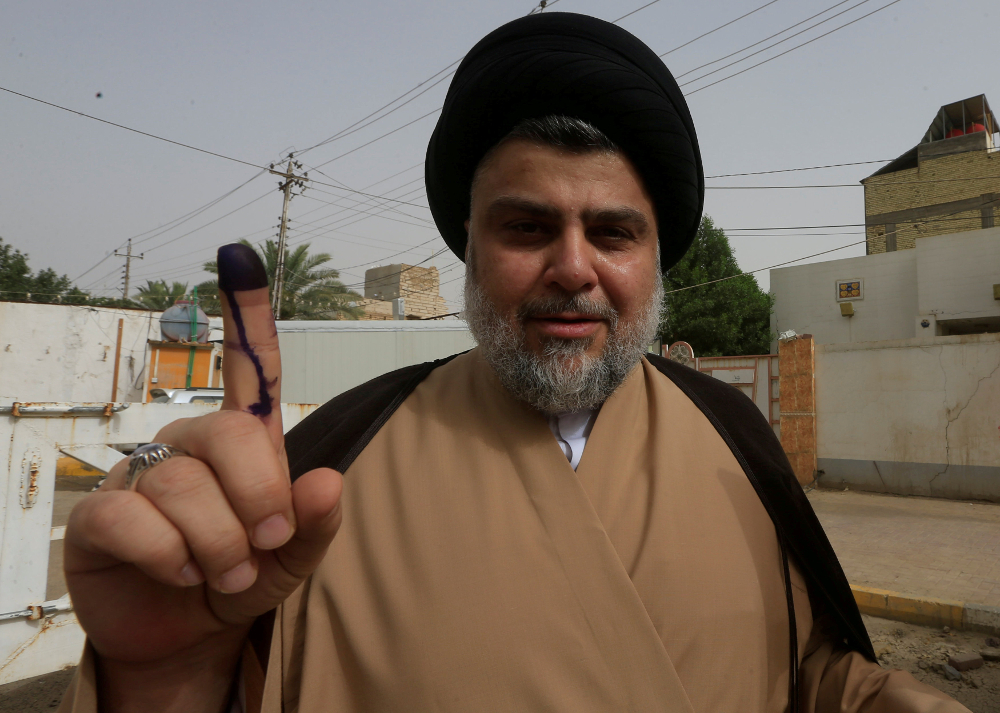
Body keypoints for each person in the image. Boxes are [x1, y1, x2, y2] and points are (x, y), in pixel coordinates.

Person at [59, 13, 969, 713]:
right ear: (470, 248)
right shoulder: (327, 472)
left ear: (656, 261)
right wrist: (165, 678)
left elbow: (802, 671)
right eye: (528, 227)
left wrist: (889, 698)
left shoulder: (735, 437)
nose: (574, 267)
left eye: (613, 231)